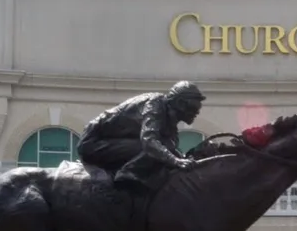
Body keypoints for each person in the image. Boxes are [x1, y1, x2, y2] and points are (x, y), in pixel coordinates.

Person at [75, 81, 206, 191]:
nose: (198, 111)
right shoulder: (154, 105)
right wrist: (176, 161)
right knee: (152, 148)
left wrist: (182, 160)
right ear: (180, 103)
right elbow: (149, 141)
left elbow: (171, 146)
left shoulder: (168, 116)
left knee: (165, 147)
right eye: (195, 105)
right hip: (94, 143)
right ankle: (127, 173)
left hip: (113, 141)